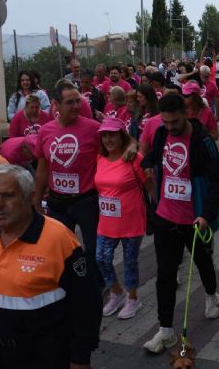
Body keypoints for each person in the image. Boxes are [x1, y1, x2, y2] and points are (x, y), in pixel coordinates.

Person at [0, 165, 102, 369]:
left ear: (29, 197)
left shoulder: (59, 239)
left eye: (9, 196)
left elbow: (85, 305)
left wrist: (80, 359)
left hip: (47, 356)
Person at [140, 93, 219, 354]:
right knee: (165, 275)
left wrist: (206, 214)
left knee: (203, 263)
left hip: (195, 219)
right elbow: (156, 155)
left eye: (174, 122)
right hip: (166, 216)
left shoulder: (202, 140)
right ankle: (166, 331)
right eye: (165, 122)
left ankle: (212, 295)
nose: (170, 128)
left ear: (185, 113)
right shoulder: (161, 133)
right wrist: (146, 162)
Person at [34, 79, 136, 289]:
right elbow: (42, 168)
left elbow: (122, 138)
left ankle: (98, 287)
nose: (76, 106)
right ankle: (69, 285)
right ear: (56, 105)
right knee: (60, 247)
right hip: (57, 201)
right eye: (70, 102)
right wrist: (36, 199)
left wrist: (132, 148)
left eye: (78, 101)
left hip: (87, 200)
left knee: (92, 249)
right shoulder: (45, 131)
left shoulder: (92, 128)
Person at [95, 118, 151, 320]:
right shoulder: (100, 158)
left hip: (131, 219)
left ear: (122, 135)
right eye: (105, 135)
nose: (108, 139)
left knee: (130, 262)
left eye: (112, 134)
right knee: (101, 259)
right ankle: (117, 293)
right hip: (106, 221)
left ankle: (133, 299)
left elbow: (149, 184)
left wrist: (160, 208)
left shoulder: (134, 158)